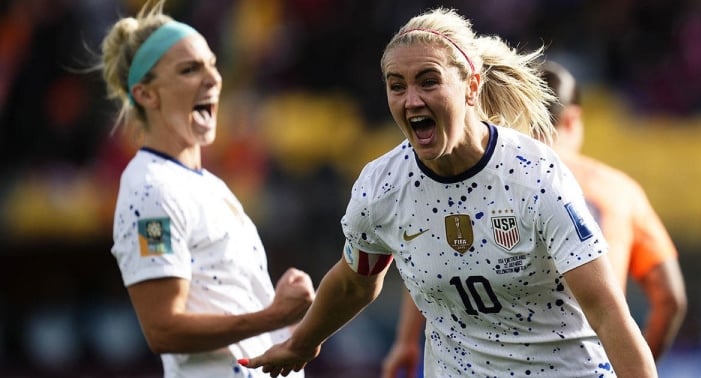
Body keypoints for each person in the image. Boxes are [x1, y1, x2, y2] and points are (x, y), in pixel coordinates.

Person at [243, 7, 657, 377]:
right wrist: (302, 343)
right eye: (396, 85)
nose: (411, 99)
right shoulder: (382, 186)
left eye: (428, 81)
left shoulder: (535, 176)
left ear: (471, 86)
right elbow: (356, 281)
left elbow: (607, 313)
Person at [380, 61, 687, 377]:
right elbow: (670, 297)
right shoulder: (618, 190)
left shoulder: (477, 182)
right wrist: (633, 365)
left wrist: (405, 339)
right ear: (573, 119)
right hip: (589, 359)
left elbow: (437, 263)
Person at [99, 1, 315, 377]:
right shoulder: (151, 189)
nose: (213, 79)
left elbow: (228, 305)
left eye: (212, 65)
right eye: (189, 69)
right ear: (147, 94)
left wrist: (292, 326)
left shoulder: (209, 185)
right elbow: (163, 329)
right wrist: (274, 315)